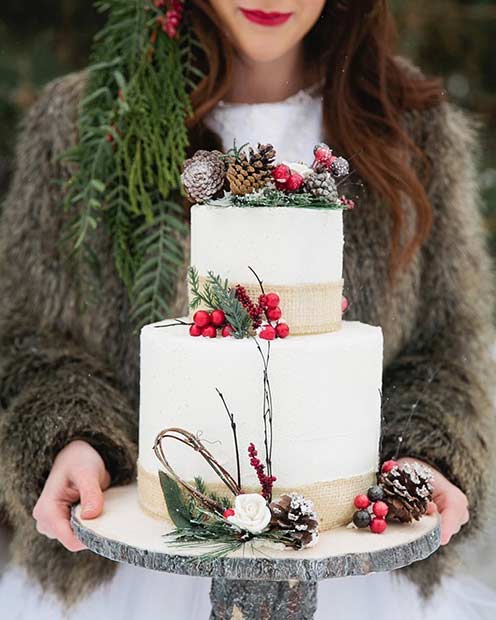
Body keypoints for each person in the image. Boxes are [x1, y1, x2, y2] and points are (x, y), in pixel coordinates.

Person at [0, 1, 495, 618]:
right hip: (130, 571)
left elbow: (448, 344)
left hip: (351, 573)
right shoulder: (91, 123)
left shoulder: (411, 126)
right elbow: (29, 336)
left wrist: (423, 455)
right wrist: (72, 440)